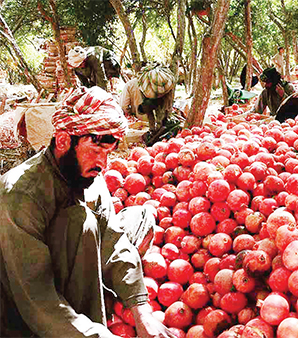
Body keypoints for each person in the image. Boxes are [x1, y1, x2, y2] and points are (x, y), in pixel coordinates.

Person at [0, 86, 176, 338]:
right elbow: (37, 300)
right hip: (25, 319)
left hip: (73, 280)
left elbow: (114, 242)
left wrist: (141, 311)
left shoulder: (89, 176)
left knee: (139, 217)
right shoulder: (20, 195)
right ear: (62, 141)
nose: (103, 164)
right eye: (95, 151)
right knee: (80, 220)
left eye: (108, 153)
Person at [137, 63, 176, 134]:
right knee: (161, 113)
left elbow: (167, 106)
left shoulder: (165, 84)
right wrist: (152, 129)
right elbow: (150, 115)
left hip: (163, 96)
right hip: (153, 98)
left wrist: (160, 124)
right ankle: (159, 128)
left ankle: (163, 126)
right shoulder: (146, 89)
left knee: (163, 113)